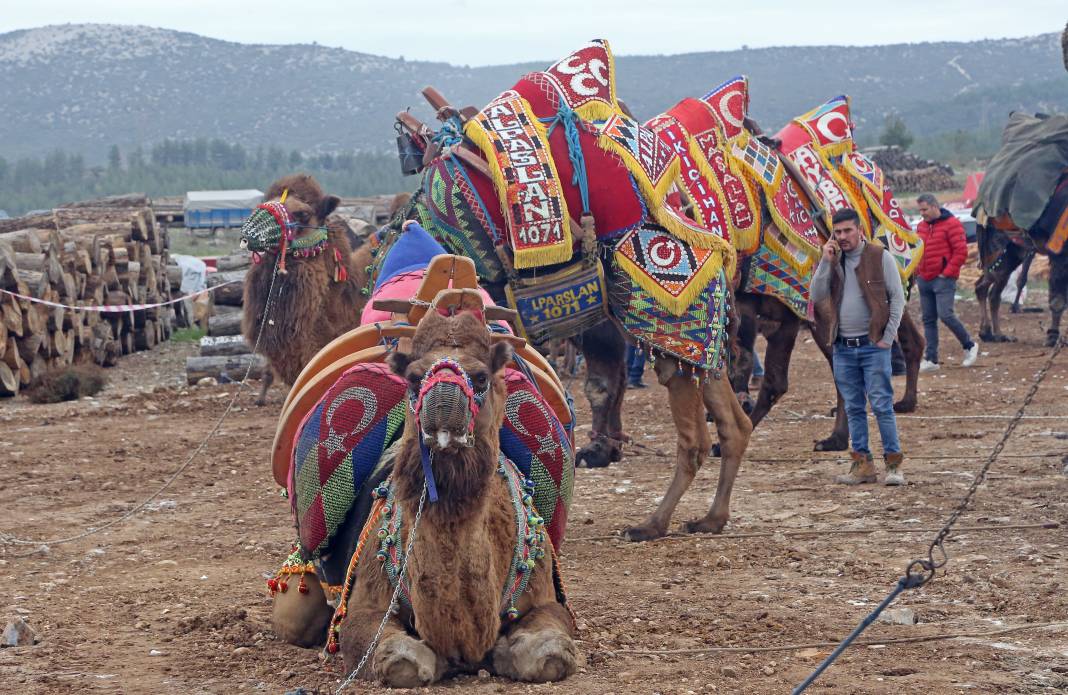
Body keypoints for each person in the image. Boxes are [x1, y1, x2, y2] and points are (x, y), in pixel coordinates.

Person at [811, 208, 907, 485]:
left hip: (872, 346)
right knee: (853, 407)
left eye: (847, 231)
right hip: (843, 346)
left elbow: (896, 300)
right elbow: (816, 295)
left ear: (859, 230)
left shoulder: (880, 257)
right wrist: (825, 262)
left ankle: (893, 466)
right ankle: (862, 466)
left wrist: (887, 338)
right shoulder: (834, 261)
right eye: (837, 232)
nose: (842, 237)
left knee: (881, 405)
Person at [915, 193, 978, 371]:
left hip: (943, 279)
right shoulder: (920, 227)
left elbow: (960, 252)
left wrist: (947, 273)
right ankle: (931, 359)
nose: (922, 214)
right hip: (924, 278)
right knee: (928, 319)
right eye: (920, 210)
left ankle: (969, 345)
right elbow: (917, 250)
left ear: (935, 206)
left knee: (946, 314)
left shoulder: (952, 224)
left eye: (925, 209)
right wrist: (917, 272)